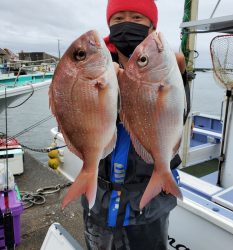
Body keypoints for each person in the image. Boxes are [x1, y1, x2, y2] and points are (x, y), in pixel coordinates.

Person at [81, 0, 190, 249]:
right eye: (118, 19)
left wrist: (179, 75)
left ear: (152, 27)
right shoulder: (97, 68)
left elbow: (176, 115)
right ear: (109, 25)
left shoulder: (168, 65)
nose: (127, 24)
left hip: (147, 207)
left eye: (137, 18)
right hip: (98, 199)